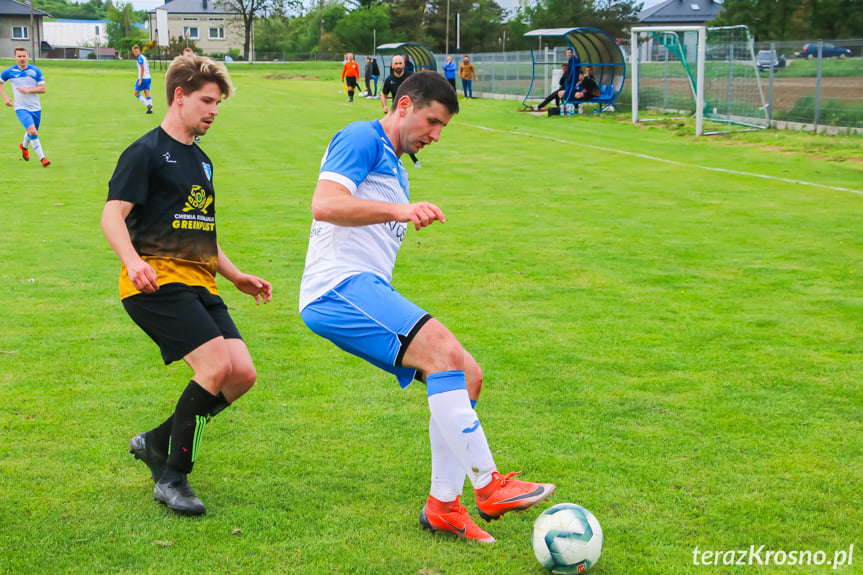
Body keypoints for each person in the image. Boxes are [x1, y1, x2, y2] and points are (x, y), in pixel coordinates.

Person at [300, 71, 555, 544]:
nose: (435, 135)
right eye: (432, 122)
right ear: (403, 106)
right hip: (336, 288)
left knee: (466, 373)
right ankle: (489, 484)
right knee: (442, 351)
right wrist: (401, 210)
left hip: (361, 288)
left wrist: (399, 209)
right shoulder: (363, 137)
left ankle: (442, 505)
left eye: (442, 128)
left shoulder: (396, 166)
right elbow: (325, 203)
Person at [101, 55, 272, 516]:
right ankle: (173, 476)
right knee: (214, 366)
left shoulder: (203, 161)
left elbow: (200, 232)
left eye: (218, 103)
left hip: (200, 282)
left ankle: (157, 442)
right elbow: (111, 215)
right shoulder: (146, 152)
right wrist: (132, 260)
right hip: (155, 281)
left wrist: (235, 275)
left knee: (242, 375)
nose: (214, 110)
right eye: (207, 100)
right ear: (179, 96)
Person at [0, 46, 50, 167]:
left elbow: (43, 89)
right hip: (21, 108)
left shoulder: (35, 71)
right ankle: (43, 158)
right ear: (15, 57)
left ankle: (24, 146)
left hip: (36, 108)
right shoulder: (9, 72)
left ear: (28, 57)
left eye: (24, 56)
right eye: (19, 56)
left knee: (32, 132)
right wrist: (5, 98)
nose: (22, 59)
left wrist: (28, 90)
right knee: (32, 131)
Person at [380, 55, 421, 168]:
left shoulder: (411, 77)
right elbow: (383, 95)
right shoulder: (389, 80)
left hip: (411, 111)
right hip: (397, 112)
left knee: (405, 135)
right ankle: (412, 159)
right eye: (396, 64)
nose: (398, 66)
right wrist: (385, 106)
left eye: (400, 63)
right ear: (392, 66)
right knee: (400, 134)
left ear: (404, 64)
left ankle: (401, 158)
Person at [132, 45, 153, 114]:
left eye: (136, 51)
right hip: (148, 78)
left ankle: (148, 105)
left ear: (139, 51)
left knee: (136, 93)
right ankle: (150, 110)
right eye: (134, 51)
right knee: (147, 94)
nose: (135, 53)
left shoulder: (140, 58)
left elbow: (142, 68)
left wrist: (140, 79)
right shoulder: (143, 57)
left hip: (143, 78)